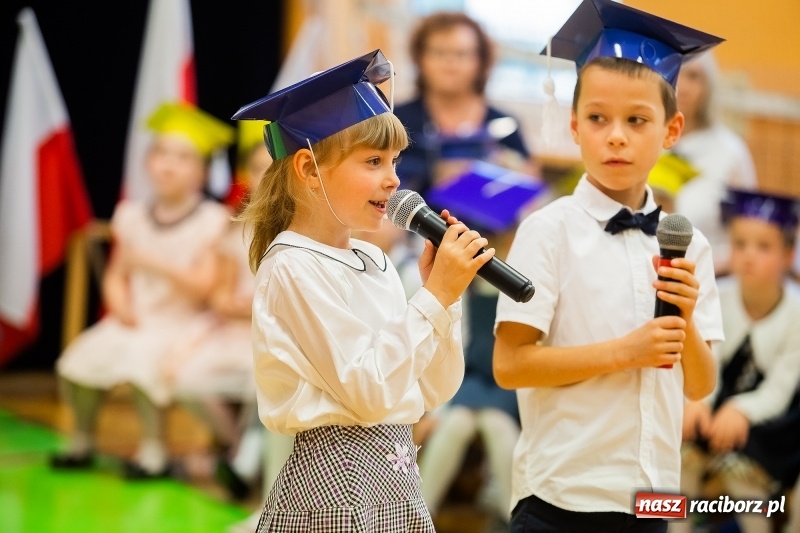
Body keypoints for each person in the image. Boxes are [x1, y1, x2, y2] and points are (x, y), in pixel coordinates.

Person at [233, 49, 493, 532]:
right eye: (373, 160)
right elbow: (369, 391)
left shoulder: (374, 259)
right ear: (309, 170)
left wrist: (447, 298)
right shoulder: (292, 265)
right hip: (338, 480)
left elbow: (432, 387)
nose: (393, 178)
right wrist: (433, 297)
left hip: (397, 471)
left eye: (395, 160)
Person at [492, 1, 726, 531]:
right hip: (560, 496)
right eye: (598, 118)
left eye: (637, 120)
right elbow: (511, 364)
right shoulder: (547, 231)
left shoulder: (690, 246)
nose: (615, 135)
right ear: (575, 126)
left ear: (671, 130)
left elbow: (699, 385)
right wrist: (624, 352)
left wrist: (685, 317)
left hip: (652, 498)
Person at [52, 102, 233, 478]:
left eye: (182, 158)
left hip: (183, 322)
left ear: (201, 170)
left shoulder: (212, 221)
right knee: (78, 362)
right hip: (136, 317)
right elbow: (117, 273)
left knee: (142, 364)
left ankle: (153, 451)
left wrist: (154, 262)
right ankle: (81, 440)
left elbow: (205, 287)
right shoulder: (131, 216)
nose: (168, 165)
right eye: (161, 154)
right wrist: (120, 305)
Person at [418, 162, 547, 529]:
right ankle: (418, 513)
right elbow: (457, 342)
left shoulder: (527, 270)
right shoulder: (467, 276)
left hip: (508, 380)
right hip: (471, 376)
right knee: (455, 422)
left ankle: (513, 516)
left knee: (496, 425)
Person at [673, 189, 800, 533]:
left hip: (767, 424)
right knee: (679, 458)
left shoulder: (796, 313)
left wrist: (742, 410)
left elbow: (781, 388)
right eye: (740, 244)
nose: (748, 256)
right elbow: (705, 354)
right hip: (711, 403)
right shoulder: (717, 294)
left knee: (746, 478)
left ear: (789, 254)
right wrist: (698, 400)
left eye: (763, 247)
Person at [167, 120, 273, 497]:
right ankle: (236, 451)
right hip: (235, 332)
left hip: (273, 334)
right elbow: (220, 294)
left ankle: (249, 461)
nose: (266, 175)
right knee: (189, 379)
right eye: (258, 167)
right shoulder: (237, 229)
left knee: (266, 380)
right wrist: (231, 305)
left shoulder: (301, 230)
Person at [394, 11, 536, 199]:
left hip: (488, 227)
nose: (449, 62)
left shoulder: (505, 125)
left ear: (480, 61)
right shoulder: (396, 120)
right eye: (438, 53)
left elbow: (529, 190)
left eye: (461, 54)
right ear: (420, 58)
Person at [672, 51, 758, 275]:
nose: (682, 85)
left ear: (708, 86)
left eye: (693, 76)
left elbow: (748, 229)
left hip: (709, 275)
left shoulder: (731, 151)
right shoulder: (647, 140)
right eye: (675, 74)